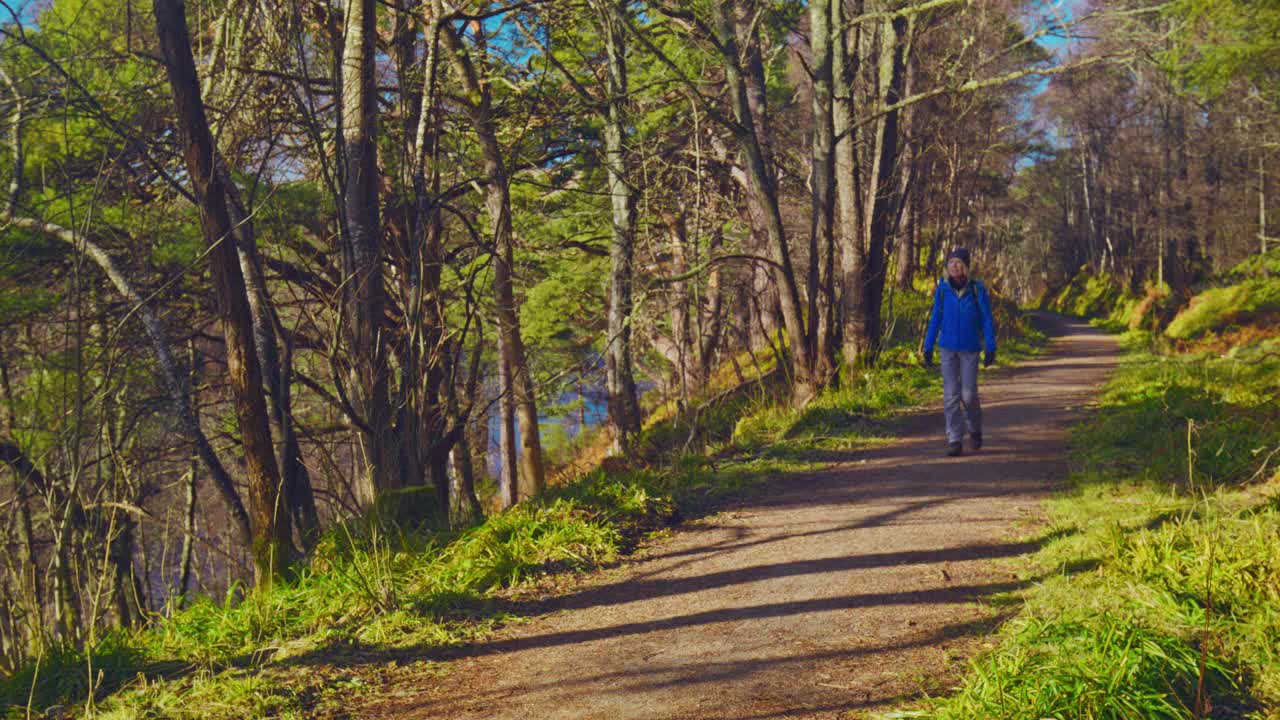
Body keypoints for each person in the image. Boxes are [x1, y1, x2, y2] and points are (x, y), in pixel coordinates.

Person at [922, 248, 997, 457]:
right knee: (951, 395)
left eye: (959, 262)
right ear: (947, 267)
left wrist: (990, 347)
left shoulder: (977, 289)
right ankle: (954, 439)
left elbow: (986, 320)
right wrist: (928, 347)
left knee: (969, 395)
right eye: (951, 262)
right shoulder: (943, 290)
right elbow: (935, 318)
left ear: (965, 266)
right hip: (947, 348)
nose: (954, 266)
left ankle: (974, 427)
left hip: (970, 349)